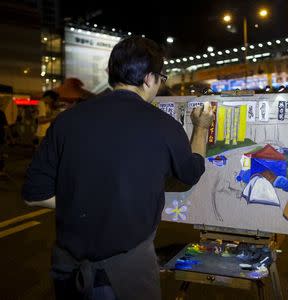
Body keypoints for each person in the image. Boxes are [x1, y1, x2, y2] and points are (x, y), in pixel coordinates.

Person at [22, 36, 214, 300]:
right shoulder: (164, 126)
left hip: (68, 270)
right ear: (149, 78)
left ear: (110, 74)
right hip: (126, 274)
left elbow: (35, 195)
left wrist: (85, 203)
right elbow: (190, 173)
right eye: (162, 76)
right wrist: (201, 127)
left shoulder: (66, 121)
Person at [0, 108, 7, 174]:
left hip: (1, 136)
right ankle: (1, 169)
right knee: (1, 153)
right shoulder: (2, 113)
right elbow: (5, 127)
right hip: (1, 136)